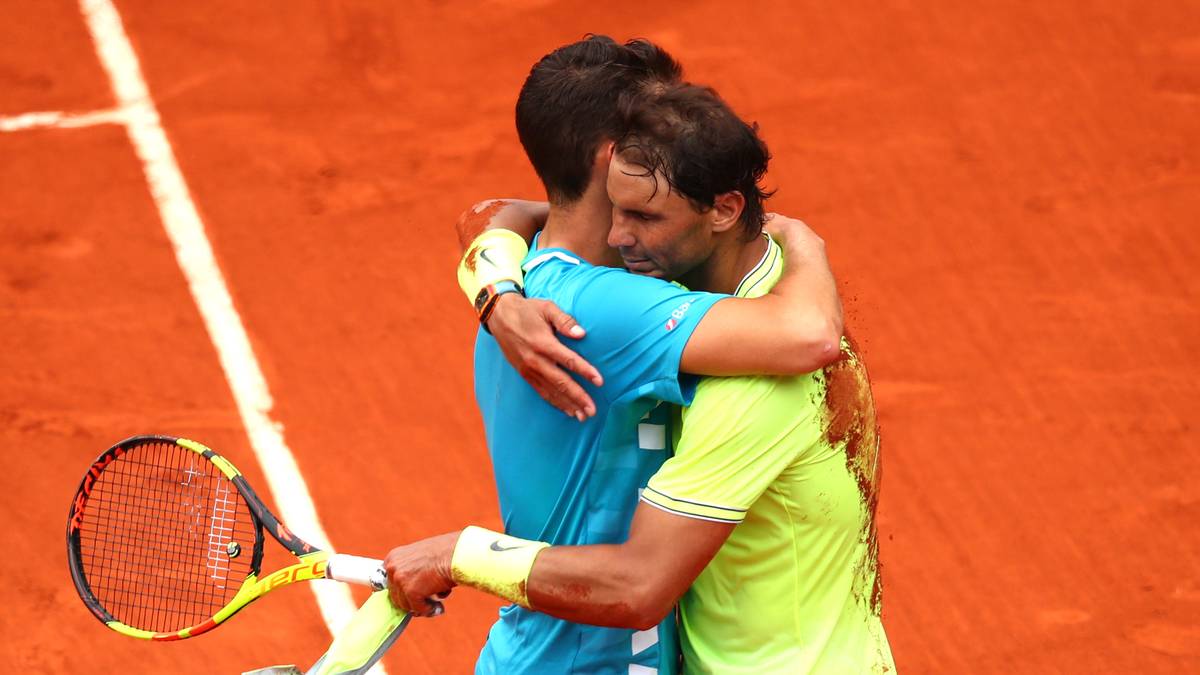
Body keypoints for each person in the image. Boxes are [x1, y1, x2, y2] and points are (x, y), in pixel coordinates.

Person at [386, 81, 894, 673]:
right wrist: (495, 296)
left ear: (724, 209)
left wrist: (459, 555)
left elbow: (639, 585)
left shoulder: (756, 381)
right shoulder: (762, 284)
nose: (615, 236)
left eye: (644, 217)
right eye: (615, 207)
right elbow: (506, 212)